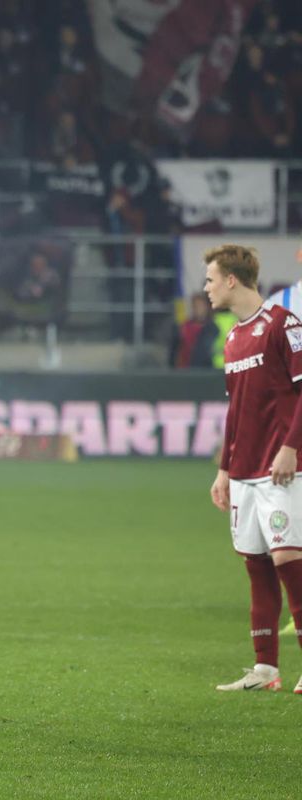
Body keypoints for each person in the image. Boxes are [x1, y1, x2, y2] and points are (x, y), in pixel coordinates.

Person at [204, 244, 302, 694]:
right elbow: (235, 412)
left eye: (210, 279)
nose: (205, 288)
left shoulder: (283, 324)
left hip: (280, 467)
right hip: (243, 471)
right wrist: (224, 469)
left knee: (289, 559)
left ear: (230, 280)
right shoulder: (232, 338)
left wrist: (291, 447)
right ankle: (265, 669)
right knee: (257, 564)